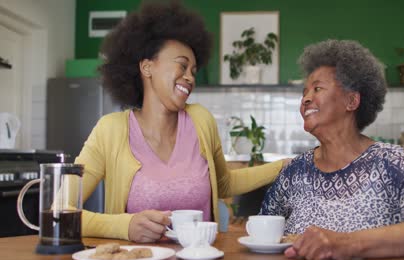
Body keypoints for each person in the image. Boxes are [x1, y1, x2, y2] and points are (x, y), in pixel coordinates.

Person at [76, 1, 287, 243]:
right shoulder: (110, 130)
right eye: (182, 65)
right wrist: (123, 226)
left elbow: (223, 183)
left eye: (193, 70)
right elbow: (60, 210)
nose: (189, 77)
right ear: (147, 66)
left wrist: (282, 166)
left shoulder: (201, 120)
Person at [260, 39, 404, 260]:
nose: (305, 99)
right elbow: (261, 232)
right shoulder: (295, 171)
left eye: (317, 88)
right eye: (304, 92)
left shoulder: (389, 162)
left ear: (352, 101)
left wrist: (346, 244)